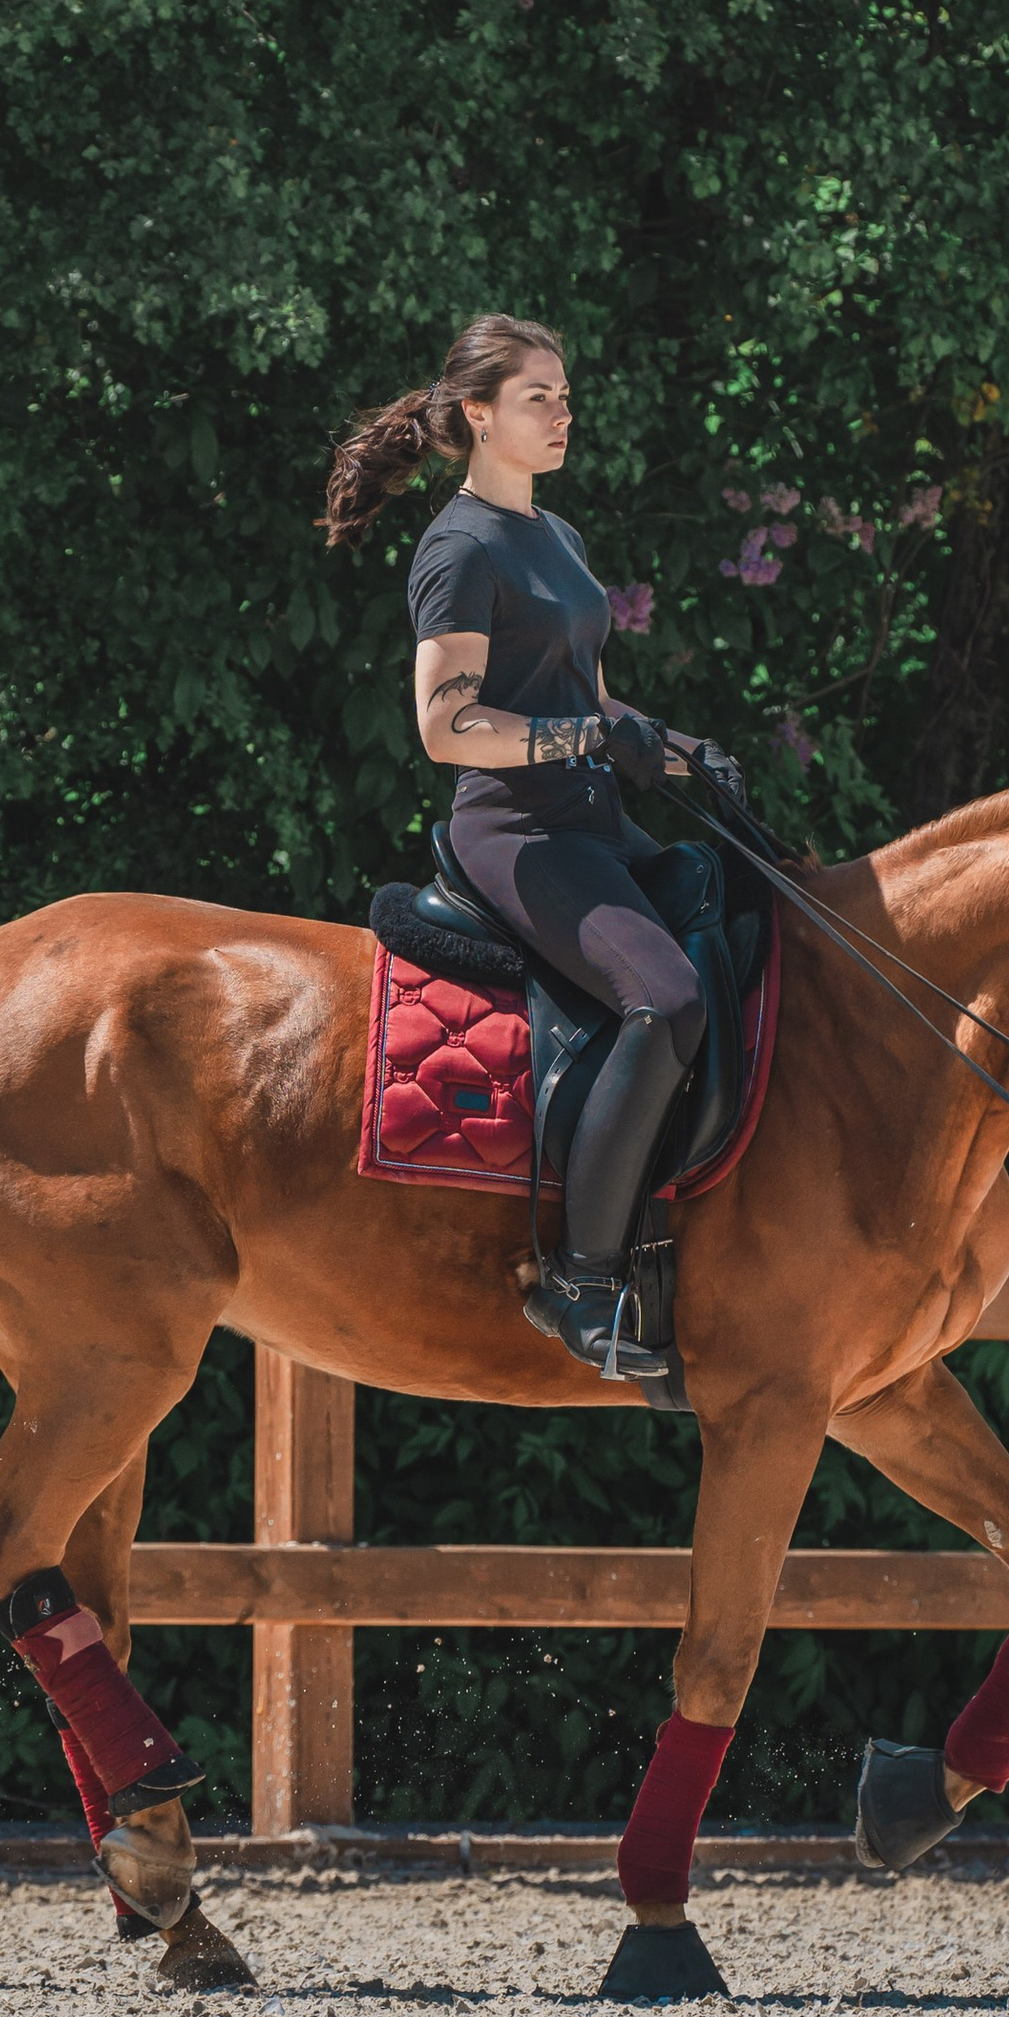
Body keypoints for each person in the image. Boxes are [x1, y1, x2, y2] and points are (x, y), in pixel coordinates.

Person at [321, 315, 741, 1378]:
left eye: (563, 394)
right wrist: (585, 735)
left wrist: (683, 749)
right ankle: (583, 1283)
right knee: (669, 998)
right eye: (537, 397)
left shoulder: (556, 538)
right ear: (478, 415)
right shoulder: (459, 547)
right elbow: (442, 725)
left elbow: (587, 696)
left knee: (741, 935)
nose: (562, 412)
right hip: (515, 830)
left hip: (595, 820)